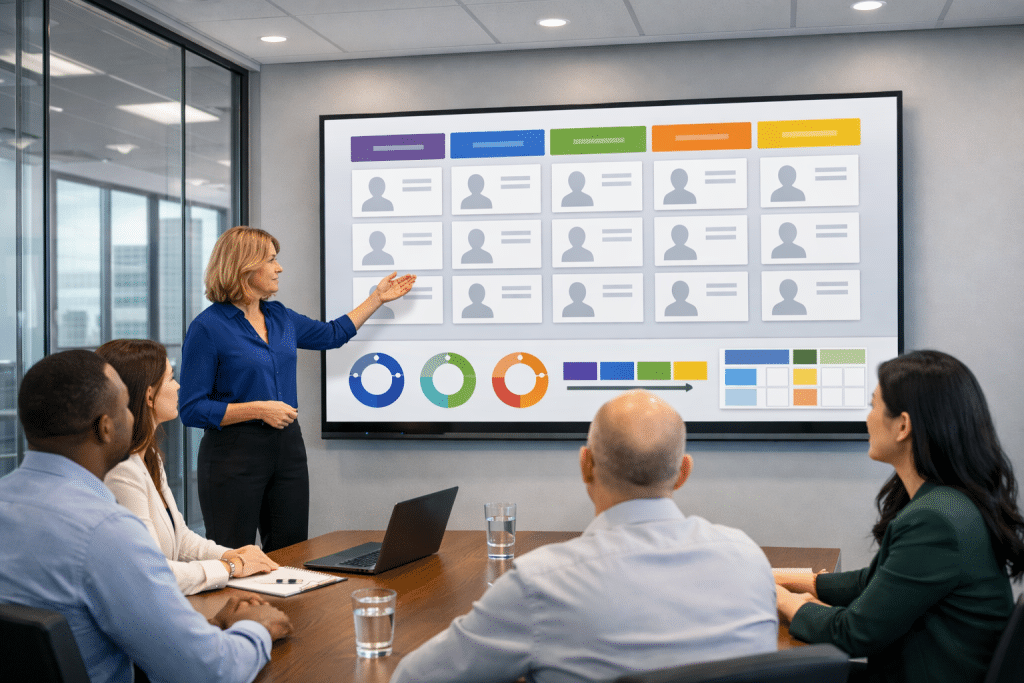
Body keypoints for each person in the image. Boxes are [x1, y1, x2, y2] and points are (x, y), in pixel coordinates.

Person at [390, 390, 778, 683]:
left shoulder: (540, 584)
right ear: (683, 472)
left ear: (585, 465)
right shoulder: (747, 557)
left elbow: (413, 679)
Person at [0, 350, 292, 683]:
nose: (133, 416)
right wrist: (256, 626)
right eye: (125, 406)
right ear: (105, 428)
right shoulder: (105, 531)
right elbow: (209, 670)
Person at [775, 350, 1024, 683]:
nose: (867, 417)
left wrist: (784, 601)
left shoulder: (937, 521)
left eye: (873, 405)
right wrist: (795, 581)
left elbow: (852, 634)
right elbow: (877, 582)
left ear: (903, 425)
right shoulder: (950, 503)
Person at [179, 226, 415, 553]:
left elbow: (332, 334)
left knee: (291, 556)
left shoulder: (278, 316)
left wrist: (376, 298)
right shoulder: (207, 327)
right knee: (233, 558)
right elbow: (191, 409)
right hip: (232, 456)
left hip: (287, 448)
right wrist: (259, 409)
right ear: (244, 267)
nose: (280, 268)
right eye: (272, 260)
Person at [98, 338, 279, 596]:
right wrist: (230, 566)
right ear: (149, 395)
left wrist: (233, 554)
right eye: (171, 379)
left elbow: (181, 539)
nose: (179, 386)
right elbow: (152, 573)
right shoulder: (121, 469)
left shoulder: (147, 456)